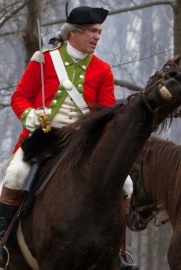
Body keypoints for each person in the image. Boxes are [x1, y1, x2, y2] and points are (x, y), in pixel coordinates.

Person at [0, 4, 139, 270]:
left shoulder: (102, 70)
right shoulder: (43, 60)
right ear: (74, 32)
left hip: (82, 144)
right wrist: (29, 115)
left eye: (99, 32)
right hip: (44, 139)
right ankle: (2, 243)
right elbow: (19, 97)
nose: (97, 37)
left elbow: (107, 113)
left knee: (128, 185)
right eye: (92, 31)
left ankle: (118, 253)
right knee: (16, 173)